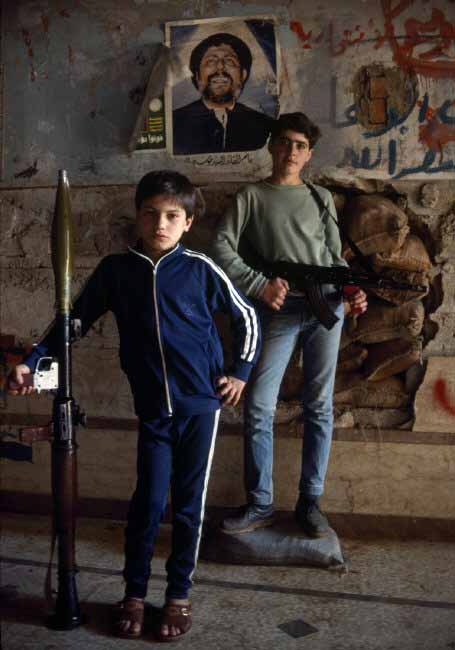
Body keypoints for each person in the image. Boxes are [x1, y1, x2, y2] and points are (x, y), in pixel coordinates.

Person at [9, 170, 260, 641]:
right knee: (147, 503)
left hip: (201, 408)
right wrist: (32, 361)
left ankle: (179, 595)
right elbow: (73, 322)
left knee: (188, 508)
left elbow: (248, 318)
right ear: (138, 216)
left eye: (172, 216)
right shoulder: (116, 272)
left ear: (187, 222)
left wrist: (241, 373)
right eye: (151, 213)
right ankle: (134, 594)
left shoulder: (202, 269)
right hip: (153, 411)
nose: (160, 223)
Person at [211, 113, 367, 538]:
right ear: (271, 147)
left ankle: (310, 502)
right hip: (279, 312)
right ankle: (260, 503)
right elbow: (221, 246)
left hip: (325, 309)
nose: (291, 151)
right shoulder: (252, 196)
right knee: (259, 405)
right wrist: (259, 285)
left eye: (300, 145)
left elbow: (335, 258)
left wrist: (353, 292)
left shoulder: (320, 198)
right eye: (284, 142)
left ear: (309, 153)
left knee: (320, 406)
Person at [173, 32, 274, 155]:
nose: (220, 67)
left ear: (242, 76)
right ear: (198, 76)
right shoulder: (174, 123)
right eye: (210, 61)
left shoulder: (265, 126)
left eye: (230, 61)